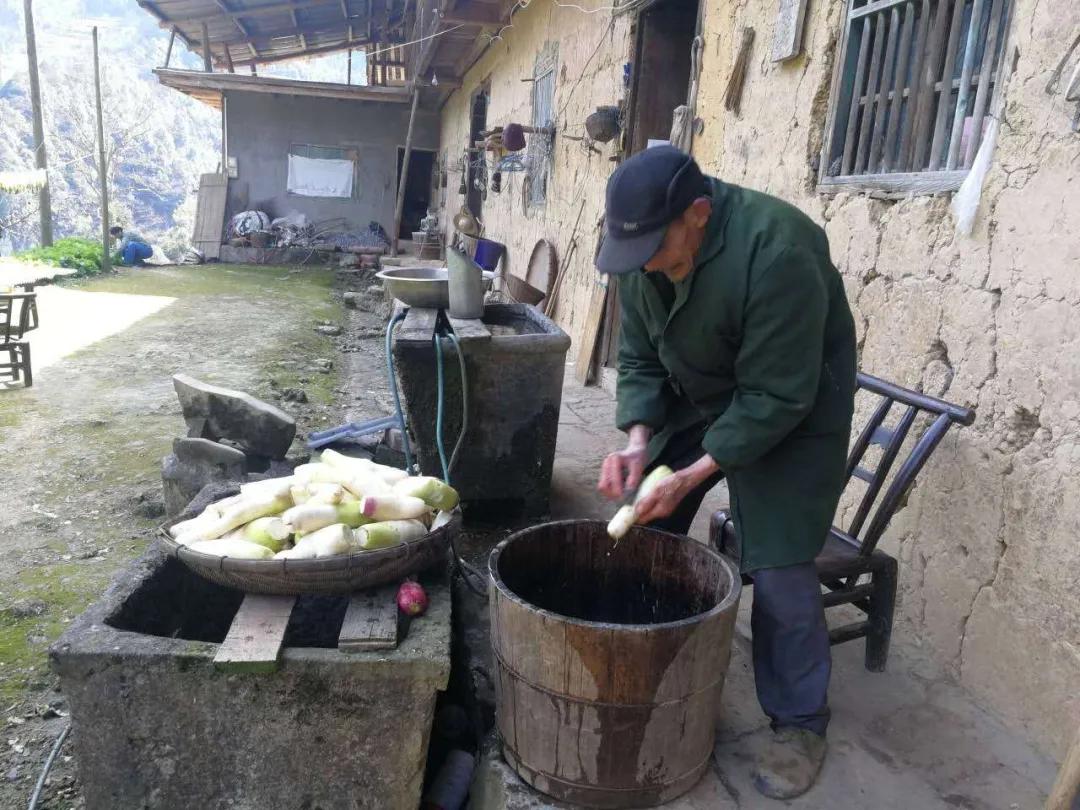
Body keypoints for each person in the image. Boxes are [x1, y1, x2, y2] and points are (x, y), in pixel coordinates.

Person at [594, 146, 856, 800]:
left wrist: (698, 470)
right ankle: (653, 634)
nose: (648, 263)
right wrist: (638, 442)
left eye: (661, 249)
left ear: (700, 214)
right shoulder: (640, 251)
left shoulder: (780, 251)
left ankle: (799, 723)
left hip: (789, 410)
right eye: (637, 254)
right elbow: (639, 359)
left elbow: (773, 397)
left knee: (779, 564)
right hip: (701, 394)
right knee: (644, 503)